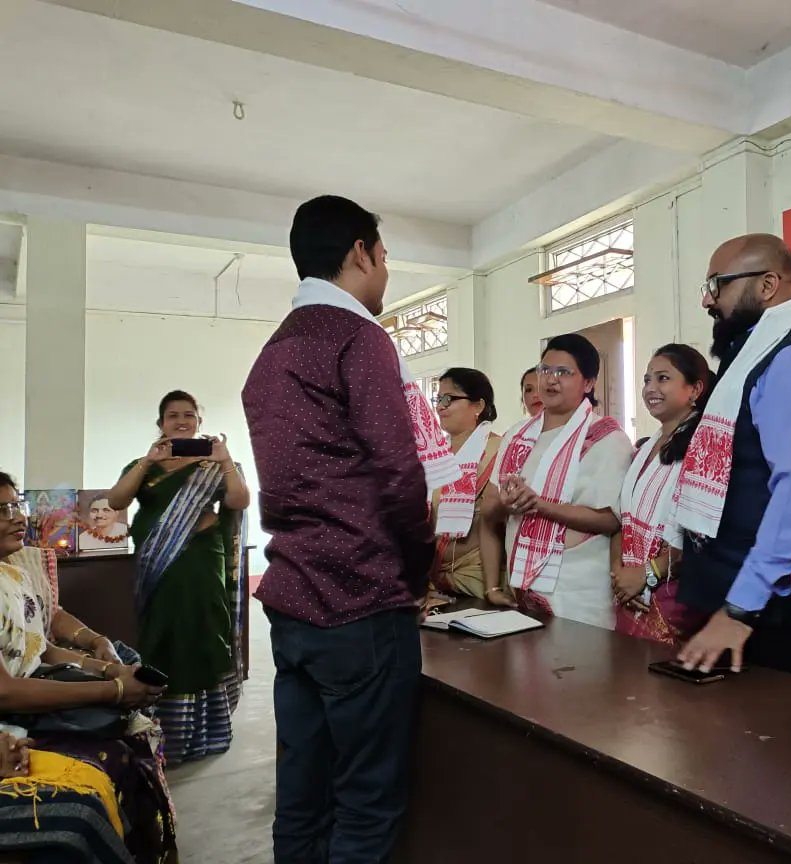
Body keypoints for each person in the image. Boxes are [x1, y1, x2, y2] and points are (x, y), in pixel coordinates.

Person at [243, 195, 436, 864]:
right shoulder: (357, 337)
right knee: (367, 802)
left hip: (292, 602)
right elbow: (398, 473)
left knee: (302, 794)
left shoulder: (271, 354)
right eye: (384, 257)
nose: (385, 271)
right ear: (360, 252)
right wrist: (416, 571)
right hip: (359, 604)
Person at [673, 234, 791, 682]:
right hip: (745, 605)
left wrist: (739, 608)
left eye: (717, 285)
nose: (706, 300)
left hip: (780, 614)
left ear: (769, 284)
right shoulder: (752, 353)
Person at [0, 471, 176, 864]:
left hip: (32, 687)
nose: (16, 517)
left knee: (126, 673)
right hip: (12, 709)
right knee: (81, 808)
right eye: (1, 510)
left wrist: (103, 663)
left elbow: (38, 646)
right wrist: (110, 690)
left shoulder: (11, 572)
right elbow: (6, 690)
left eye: (17, 506)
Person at [106, 390, 249, 767]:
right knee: (161, 638)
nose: (181, 421)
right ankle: (162, 733)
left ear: (199, 423)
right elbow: (116, 501)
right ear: (161, 424)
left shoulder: (213, 465)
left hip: (203, 564)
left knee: (204, 635)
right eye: (173, 415)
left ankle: (207, 734)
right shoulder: (145, 465)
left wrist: (227, 460)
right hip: (157, 569)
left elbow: (239, 501)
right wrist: (146, 462)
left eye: (189, 415)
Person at [487, 333, 635, 629]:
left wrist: (539, 505)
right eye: (545, 370)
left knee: (578, 672)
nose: (550, 380)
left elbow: (610, 520)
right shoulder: (517, 436)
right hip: (522, 587)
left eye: (563, 372)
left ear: (589, 383)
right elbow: (489, 513)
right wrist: (504, 505)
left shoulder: (605, 438)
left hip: (578, 593)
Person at [612, 344, 713, 645]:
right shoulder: (646, 447)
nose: (650, 388)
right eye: (646, 380)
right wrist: (621, 576)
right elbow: (622, 519)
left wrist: (647, 574)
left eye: (663, 378)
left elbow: (699, 532)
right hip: (629, 587)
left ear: (695, 388)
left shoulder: (704, 445)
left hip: (672, 593)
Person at [429, 368, 502, 599]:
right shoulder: (435, 455)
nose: (440, 406)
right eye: (437, 399)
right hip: (433, 579)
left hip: (478, 576)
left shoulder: (499, 449)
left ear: (478, 406)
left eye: (448, 399)